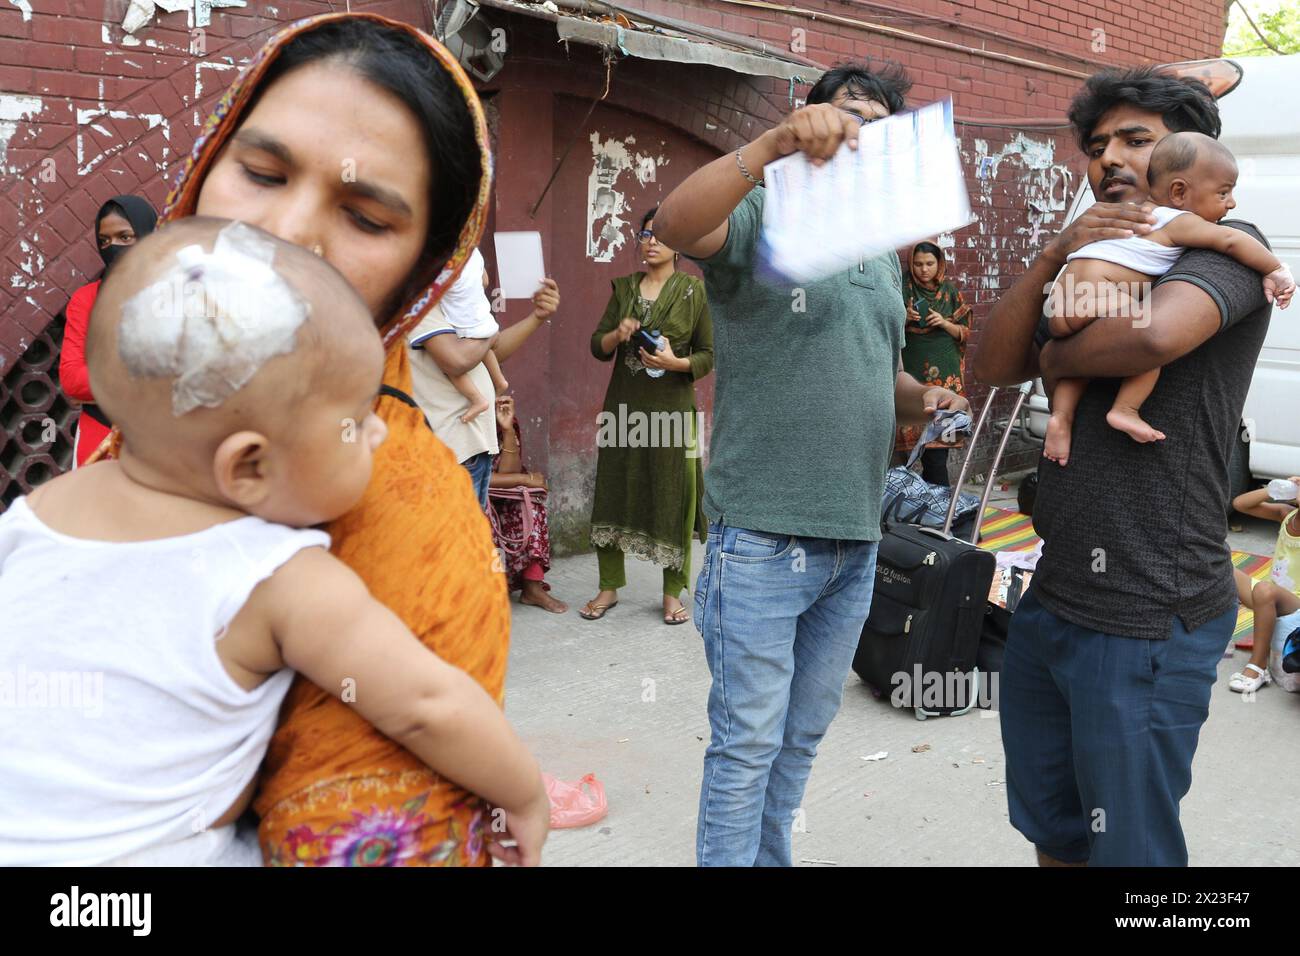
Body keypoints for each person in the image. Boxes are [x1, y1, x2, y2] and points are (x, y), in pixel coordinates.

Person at [92, 12, 548, 866]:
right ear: (203, 172)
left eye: (366, 219)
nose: (287, 235)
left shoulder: (407, 523)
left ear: (424, 273)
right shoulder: (148, 431)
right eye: (261, 172)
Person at [0, 218, 547, 866]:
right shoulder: (279, 577)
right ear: (250, 468)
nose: (377, 434)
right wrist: (525, 792)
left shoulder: (31, 516)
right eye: (356, 419)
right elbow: (426, 706)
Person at [653, 62, 968, 866]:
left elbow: (878, 371)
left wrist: (922, 402)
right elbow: (677, 226)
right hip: (761, 536)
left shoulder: (882, 252)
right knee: (747, 746)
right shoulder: (764, 210)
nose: (855, 128)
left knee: (798, 741)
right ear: (809, 119)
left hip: (855, 538)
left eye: (874, 121)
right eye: (842, 112)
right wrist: (769, 145)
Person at [972, 66, 1278, 867]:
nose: (1108, 157)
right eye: (1097, 144)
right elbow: (994, 363)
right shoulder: (1091, 250)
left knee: (1131, 852)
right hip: (1052, 596)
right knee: (1057, 831)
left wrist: (1056, 339)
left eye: (1134, 140)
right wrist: (1052, 260)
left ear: (1189, 155)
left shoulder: (1225, 250)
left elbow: (1148, 338)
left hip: (1149, 608)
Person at [1041, 132, 1294, 465]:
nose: (1231, 203)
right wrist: (1276, 269)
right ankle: (1125, 409)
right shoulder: (1176, 219)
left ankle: (1061, 416)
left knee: (1081, 364)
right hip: (1101, 296)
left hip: (1061, 301)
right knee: (1142, 345)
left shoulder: (1129, 216)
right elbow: (1230, 241)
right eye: (1223, 192)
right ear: (1179, 192)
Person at [582, 207, 714, 626]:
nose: (650, 241)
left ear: (678, 244)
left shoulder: (695, 293)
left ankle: (672, 593)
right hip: (623, 407)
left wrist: (676, 364)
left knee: (674, 495)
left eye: (659, 235)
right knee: (614, 490)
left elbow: (709, 355)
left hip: (673, 412)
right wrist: (615, 335)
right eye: (644, 234)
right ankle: (609, 586)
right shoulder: (623, 290)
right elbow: (596, 346)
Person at [59, 195, 157, 467]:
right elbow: (71, 378)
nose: (113, 247)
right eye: (105, 240)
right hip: (98, 435)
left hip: (164, 439)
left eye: (125, 237)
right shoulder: (86, 299)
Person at [899, 240, 971, 486]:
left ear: (939, 264)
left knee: (937, 457)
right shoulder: (901, 290)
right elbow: (883, 325)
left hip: (946, 383)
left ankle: (940, 510)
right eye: (918, 264)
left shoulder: (950, 293)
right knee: (902, 457)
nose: (924, 269)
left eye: (929, 263)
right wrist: (904, 316)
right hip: (911, 382)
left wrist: (943, 322)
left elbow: (965, 332)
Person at [490, 394, 567, 614]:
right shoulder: (450, 420)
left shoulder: (498, 416)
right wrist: (523, 479)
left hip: (499, 489)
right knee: (483, 513)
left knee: (529, 503)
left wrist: (507, 429)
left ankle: (532, 587)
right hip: (463, 494)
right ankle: (492, 585)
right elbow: (466, 478)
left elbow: (509, 471)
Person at [1228, 479, 1300, 692]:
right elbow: (1240, 504)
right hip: (1268, 597)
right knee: (1220, 564)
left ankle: (1258, 666)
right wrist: (1273, 489)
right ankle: (1220, 633)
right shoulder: (1285, 514)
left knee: (1264, 590)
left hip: (1294, 604)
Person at [434, 246, 509, 425]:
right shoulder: (473, 251)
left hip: (464, 325)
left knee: (449, 365)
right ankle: (500, 381)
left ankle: (477, 399)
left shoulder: (442, 263)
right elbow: (484, 281)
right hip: (484, 318)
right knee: (485, 348)